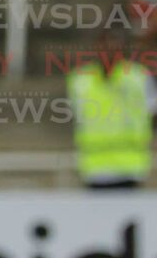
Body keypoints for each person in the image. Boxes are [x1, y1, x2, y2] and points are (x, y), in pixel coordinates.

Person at [66, 32, 157, 189]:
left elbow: (153, 113)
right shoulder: (80, 80)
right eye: (104, 46)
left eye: (114, 47)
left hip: (131, 166)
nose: (108, 51)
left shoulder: (138, 77)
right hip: (93, 166)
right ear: (96, 48)